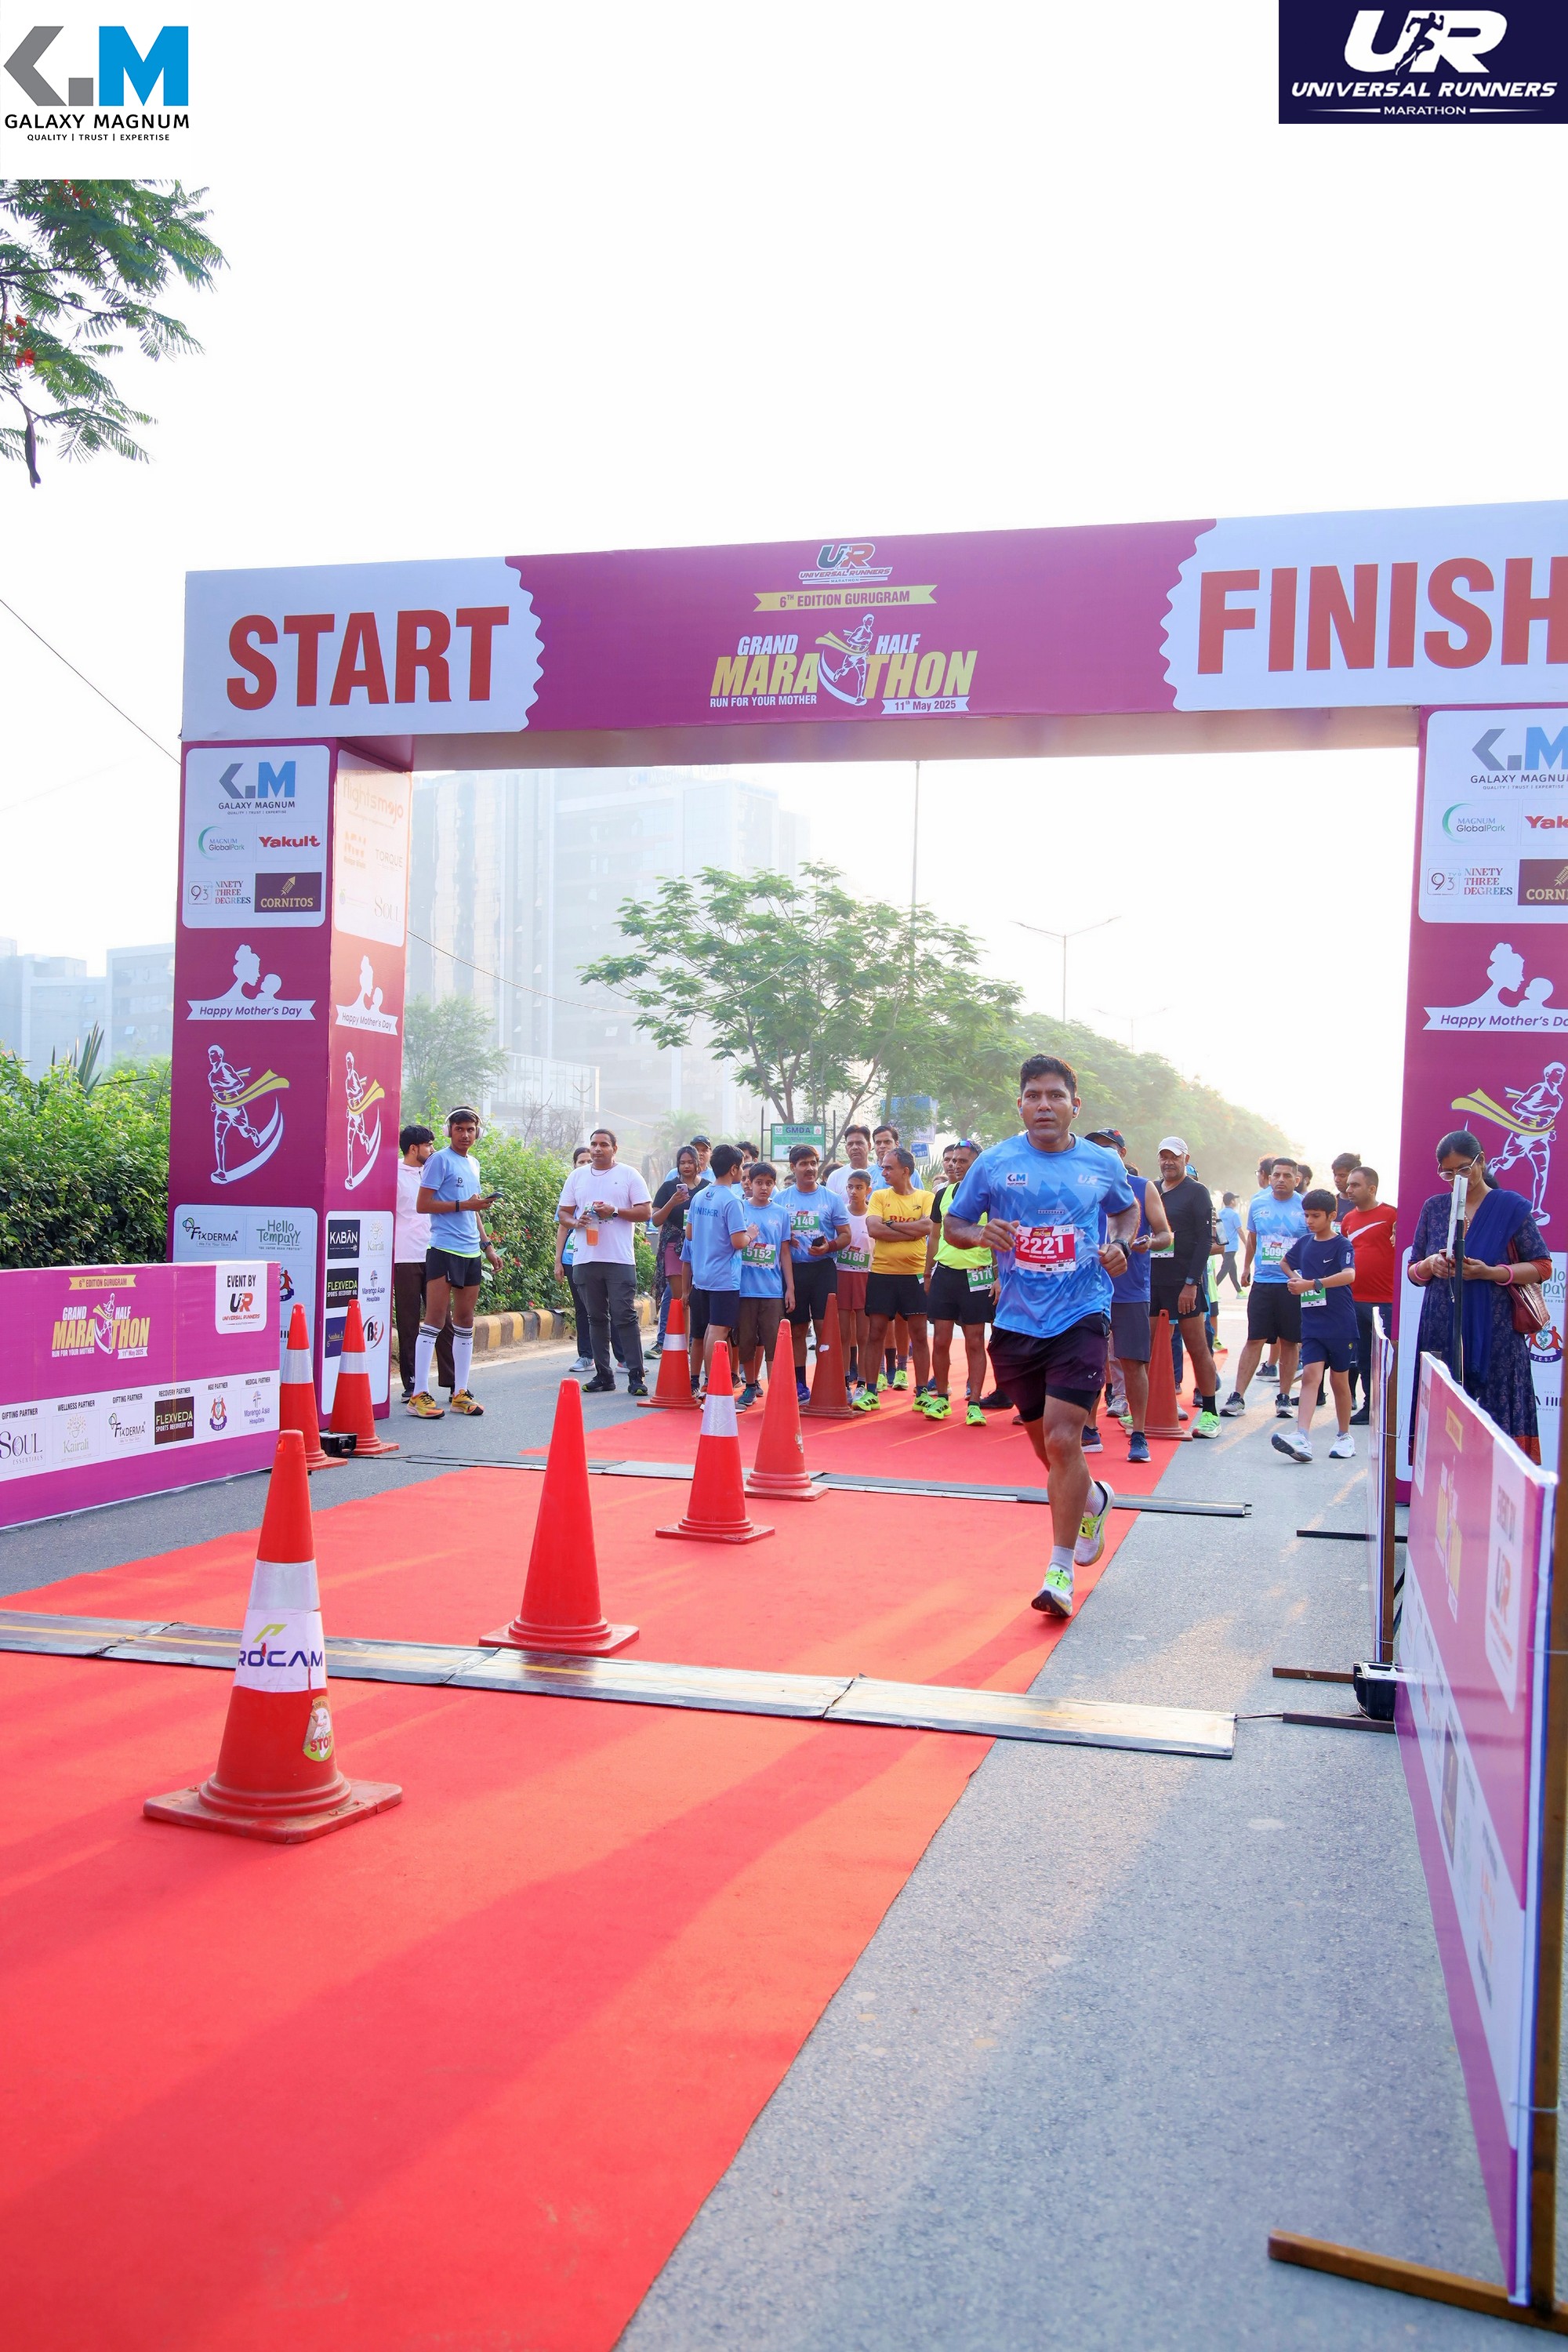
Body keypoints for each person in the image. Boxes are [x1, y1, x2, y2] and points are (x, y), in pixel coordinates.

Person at [946, 1054, 1138, 1617]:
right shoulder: (995, 1163)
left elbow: (1126, 1213)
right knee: (1047, 1449)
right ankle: (1093, 1498)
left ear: (1075, 1105)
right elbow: (954, 1224)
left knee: (1061, 1439)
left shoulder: (1101, 1163)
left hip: (1082, 1311)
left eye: (1055, 1096)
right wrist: (981, 1234)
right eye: (1033, 1096)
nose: (1044, 1105)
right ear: (1021, 1105)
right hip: (1016, 1321)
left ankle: (1059, 1571)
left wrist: (1119, 1245)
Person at [1408, 1131, 1551, 1461]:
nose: (1458, 1178)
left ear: (1481, 1161)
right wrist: (1430, 1265)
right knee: (1444, 1410)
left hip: (1497, 1333)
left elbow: (1542, 1266)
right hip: (1441, 1328)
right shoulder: (1435, 1208)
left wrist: (1490, 1272)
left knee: (1495, 1417)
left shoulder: (1510, 1207)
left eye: (1463, 1169)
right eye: (1448, 1173)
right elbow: (1413, 1272)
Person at [409, 1105, 504, 1417]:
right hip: (443, 1250)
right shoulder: (439, 1160)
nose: (465, 1134)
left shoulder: (473, 1163)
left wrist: (487, 1247)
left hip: (470, 1253)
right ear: (449, 1130)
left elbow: (474, 1210)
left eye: (471, 1129)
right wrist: (464, 1204)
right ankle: (418, 1394)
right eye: (460, 1128)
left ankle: (460, 1392)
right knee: (435, 1320)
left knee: (465, 1321)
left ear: (478, 1133)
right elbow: (423, 1205)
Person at [1084, 1128, 1171, 1465]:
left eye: (1108, 1147)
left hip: (1130, 1290)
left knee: (1133, 1363)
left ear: (1122, 1153)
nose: (1101, 1153)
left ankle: (1139, 1434)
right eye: (1094, 1147)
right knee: (1089, 1361)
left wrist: (1150, 1242)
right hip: (1088, 1289)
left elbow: (1165, 1234)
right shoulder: (1081, 1185)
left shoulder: (1143, 1187)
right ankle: (1088, 1429)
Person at [554, 1127, 652, 1397]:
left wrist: (615, 1211)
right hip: (585, 1258)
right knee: (595, 1317)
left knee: (624, 1316)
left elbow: (646, 1212)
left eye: (604, 1145)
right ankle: (604, 1375)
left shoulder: (629, 1175)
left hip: (619, 1259)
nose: (598, 1149)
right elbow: (563, 1213)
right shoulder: (577, 1177)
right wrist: (576, 1222)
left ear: (614, 1149)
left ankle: (636, 1376)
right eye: (594, 1144)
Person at [1273, 1190, 1358, 1463]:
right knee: (1311, 1376)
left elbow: (1349, 1275)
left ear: (1331, 1216)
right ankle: (1302, 1436)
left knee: (1339, 1381)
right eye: (1306, 1215)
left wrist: (1311, 1284)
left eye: (1315, 1216)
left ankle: (1344, 1436)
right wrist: (1295, 1280)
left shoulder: (1342, 1245)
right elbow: (1285, 1262)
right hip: (1311, 1322)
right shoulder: (1305, 1242)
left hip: (1340, 1322)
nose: (1309, 1221)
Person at [1221, 1158, 1308, 1417]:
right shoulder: (1258, 1203)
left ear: (1297, 1180)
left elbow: (1312, 1242)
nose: (1281, 1179)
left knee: (1289, 1342)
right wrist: (1246, 1268)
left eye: (1287, 1176)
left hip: (1292, 1284)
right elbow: (1253, 1239)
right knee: (1255, 1338)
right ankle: (1238, 1397)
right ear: (1269, 1178)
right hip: (1263, 1282)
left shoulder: (1304, 1206)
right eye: (1276, 1175)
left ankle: (1284, 1398)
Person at [1148, 1137, 1221, 1437]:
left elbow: (1205, 1241)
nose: (1168, 1162)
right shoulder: (1152, 1189)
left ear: (1185, 1159)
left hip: (1184, 1283)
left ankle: (1210, 1412)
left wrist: (1192, 1283)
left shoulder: (1197, 1191)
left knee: (1197, 1347)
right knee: (1152, 1349)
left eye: (1174, 1157)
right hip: (1153, 1281)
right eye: (1164, 1156)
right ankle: (1155, 1407)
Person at [855, 1148, 935, 1408]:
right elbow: (873, 1228)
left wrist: (891, 1226)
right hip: (882, 1273)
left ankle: (922, 1392)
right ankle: (870, 1391)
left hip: (915, 1274)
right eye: (883, 1167)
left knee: (919, 1335)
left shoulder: (926, 1197)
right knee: (875, 1333)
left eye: (889, 1168)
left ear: (906, 1171)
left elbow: (928, 1227)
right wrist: (911, 1231)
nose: (884, 1172)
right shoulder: (879, 1196)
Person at [923, 1138, 996, 1425]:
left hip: (977, 1275)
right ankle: (942, 1398)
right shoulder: (942, 1194)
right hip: (945, 1274)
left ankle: (974, 1403)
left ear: (977, 1165)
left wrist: (999, 1277)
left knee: (975, 1341)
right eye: (952, 1160)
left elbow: (1000, 1241)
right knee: (940, 1340)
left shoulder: (991, 1196)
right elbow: (934, 1236)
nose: (954, 1165)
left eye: (962, 1161)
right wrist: (927, 1273)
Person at [778, 1142, 850, 1405]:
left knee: (825, 1328)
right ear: (793, 1167)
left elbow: (846, 1236)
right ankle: (799, 1384)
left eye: (813, 1163)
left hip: (823, 1270)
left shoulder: (831, 1199)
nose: (809, 1168)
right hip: (793, 1272)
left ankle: (832, 1382)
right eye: (803, 1164)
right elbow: (773, 1235)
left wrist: (829, 1246)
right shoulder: (781, 1200)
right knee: (797, 1330)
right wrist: (786, 1238)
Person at [684, 1142, 752, 1391]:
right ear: (733, 1169)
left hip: (700, 1276)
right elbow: (738, 1241)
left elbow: (689, 1233)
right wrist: (751, 1234)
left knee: (703, 1332)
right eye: (741, 1167)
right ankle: (713, 1384)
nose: (742, 1172)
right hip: (724, 1277)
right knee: (719, 1330)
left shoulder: (700, 1196)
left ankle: (706, 1383)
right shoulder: (732, 1201)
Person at [394, 1123, 454, 1402]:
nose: (433, 1149)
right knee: (408, 1323)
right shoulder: (392, 1175)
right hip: (405, 1257)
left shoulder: (435, 1171)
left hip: (436, 1252)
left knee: (443, 1320)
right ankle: (412, 1383)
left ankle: (454, 1382)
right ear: (413, 1148)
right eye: (428, 1145)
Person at [1341, 1163, 1398, 1424]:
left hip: (1385, 1301)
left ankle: (1390, 1407)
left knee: (1386, 1358)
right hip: (1354, 1300)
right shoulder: (1348, 1220)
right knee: (1363, 1357)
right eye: (1348, 1185)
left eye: (1355, 1185)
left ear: (1372, 1188)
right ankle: (1370, 1407)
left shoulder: (1392, 1215)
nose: (1349, 1189)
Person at [735, 1160, 793, 1406]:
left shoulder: (781, 1213)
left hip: (772, 1291)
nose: (764, 1187)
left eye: (769, 1183)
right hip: (744, 1290)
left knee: (773, 1343)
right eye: (759, 1182)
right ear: (749, 1183)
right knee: (746, 1341)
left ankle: (776, 1392)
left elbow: (784, 1253)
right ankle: (750, 1386)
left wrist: (790, 1288)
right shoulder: (739, 1209)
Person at [651, 1145, 700, 1348]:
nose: (686, 1166)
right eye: (682, 1163)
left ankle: (696, 1343)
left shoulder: (706, 1188)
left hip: (701, 1248)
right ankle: (683, 1348)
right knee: (681, 1300)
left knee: (698, 1298)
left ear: (698, 1163)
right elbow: (655, 1220)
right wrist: (672, 1202)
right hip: (674, 1247)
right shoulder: (668, 1188)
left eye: (690, 1162)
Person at [834, 1167, 873, 1394]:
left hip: (865, 1278)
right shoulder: (841, 1215)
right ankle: (843, 1380)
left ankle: (863, 1383)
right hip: (841, 1275)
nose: (853, 1191)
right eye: (850, 1187)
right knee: (843, 1333)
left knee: (864, 1334)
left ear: (868, 1190)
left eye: (859, 1187)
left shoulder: (873, 1216)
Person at [826, 1123, 876, 1200]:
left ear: (869, 1146)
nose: (854, 1147)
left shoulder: (880, 1175)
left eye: (859, 1143)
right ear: (846, 1149)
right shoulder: (835, 1177)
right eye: (850, 1144)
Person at [1215, 1192, 1243, 1297]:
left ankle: (1239, 1291)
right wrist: (1247, 1243)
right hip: (1231, 1246)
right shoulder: (1234, 1214)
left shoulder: (1219, 1213)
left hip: (1223, 1246)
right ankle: (1213, 1288)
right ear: (1232, 1201)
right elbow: (1240, 1231)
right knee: (1225, 1269)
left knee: (1232, 1268)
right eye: (1234, 1200)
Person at [1331, 1152, 1361, 1221]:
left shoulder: (1363, 1205)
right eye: (1335, 1175)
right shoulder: (1329, 1203)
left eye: (1342, 1176)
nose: (1337, 1180)